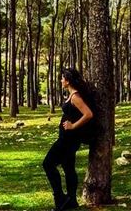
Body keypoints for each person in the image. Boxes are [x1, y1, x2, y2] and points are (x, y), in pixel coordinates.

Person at [42, 68, 95, 211]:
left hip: (68, 140)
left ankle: (60, 198)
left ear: (68, 80)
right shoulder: (72, 95)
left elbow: (88, 114)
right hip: (69, 139)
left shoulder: (75, 97)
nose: (61, 80)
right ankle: (71, 201)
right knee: (68, 168)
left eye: (62, 78)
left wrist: (73, 126)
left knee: (47, 164)